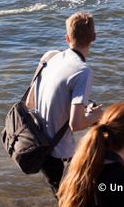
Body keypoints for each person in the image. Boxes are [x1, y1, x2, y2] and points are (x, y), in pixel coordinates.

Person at [26, 12, 104, 195]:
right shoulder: (83, 71)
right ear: (94, 37)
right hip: (59, 154)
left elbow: (31, 102)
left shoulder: (50, 56)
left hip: (39, 144)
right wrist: (96, 115)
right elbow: (76, 125)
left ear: (67, 38)